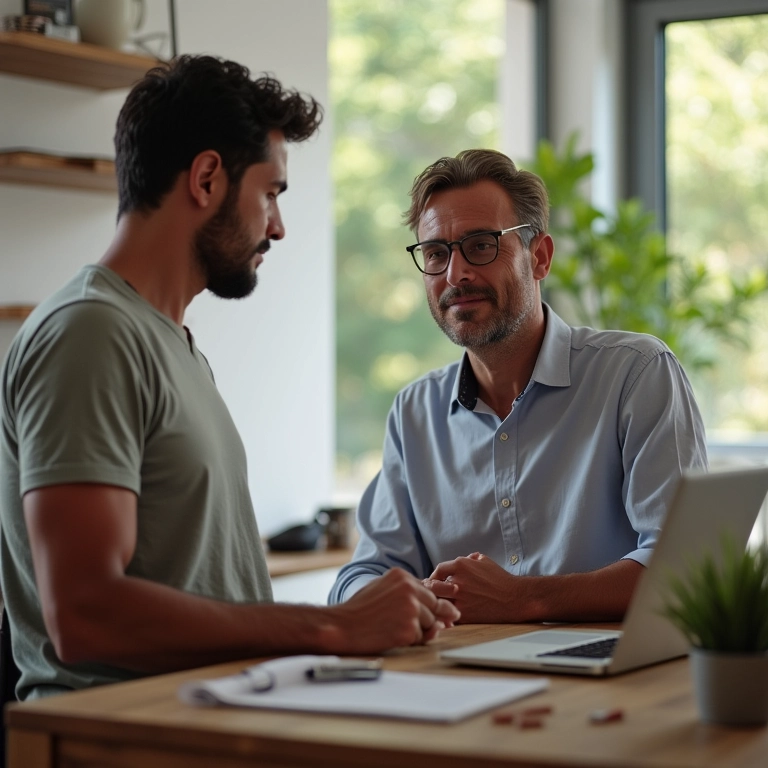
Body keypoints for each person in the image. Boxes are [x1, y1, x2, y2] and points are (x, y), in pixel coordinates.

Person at [0, 55, 458, 702]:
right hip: (122, 734)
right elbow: (84, 614)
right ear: (207, 178)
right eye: (270, 193)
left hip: (215, 717)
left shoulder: (169, 344)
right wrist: (333, 626)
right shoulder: (90, 334)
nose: (278, 226)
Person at [329, 148, 708, 623]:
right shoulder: (415, 411)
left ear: (540, 258)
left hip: (607, 665)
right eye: (436, 253)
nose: (456, 274)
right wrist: (407, 597)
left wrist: (523, 599)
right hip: (460, 665)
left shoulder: (635, 373)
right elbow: (363, 573)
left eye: (481, 246)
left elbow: (682, 565)